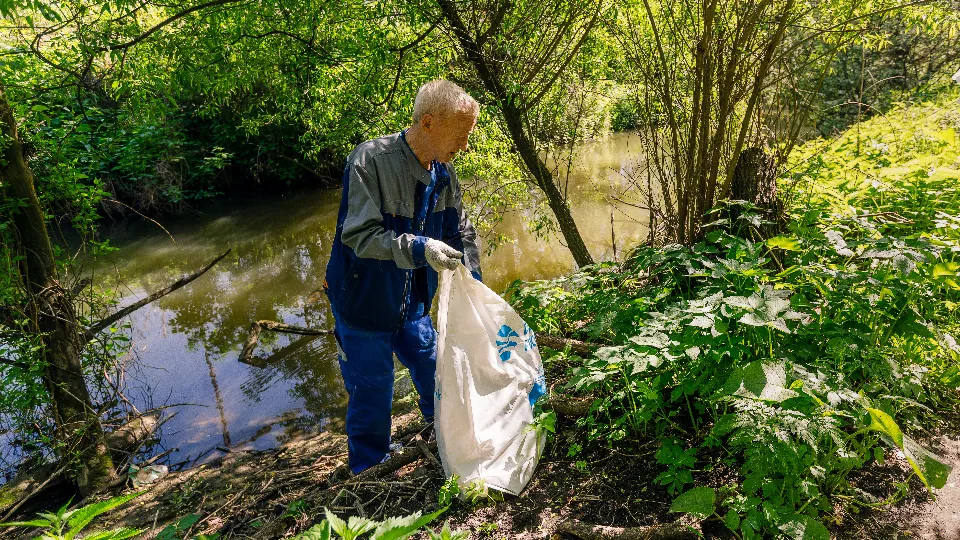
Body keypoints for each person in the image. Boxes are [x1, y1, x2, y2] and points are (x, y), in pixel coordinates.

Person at [324, 79, 483, 474]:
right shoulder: (370, 161)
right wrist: (419, 247)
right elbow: (360, 235)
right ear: (428, 122)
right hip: (363, 305)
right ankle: (369, 468)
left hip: (411, 304)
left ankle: (446, 434)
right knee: (372, 389)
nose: (464, 146)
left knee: (434, 369)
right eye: (460, 135)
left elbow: (460, 231)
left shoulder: (444, 174)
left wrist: (475, 285)